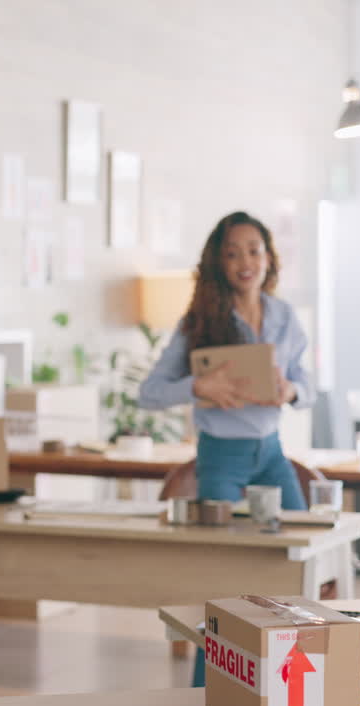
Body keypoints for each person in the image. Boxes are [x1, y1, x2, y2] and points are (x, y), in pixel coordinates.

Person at [139, 211, 312, 510]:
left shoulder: (284, 317)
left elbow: (307, 384)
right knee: (226, 549)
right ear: (219, 264)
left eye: (254, 251)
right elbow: (148, 393)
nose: (246, 263)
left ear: (268, 257)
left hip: (272, 452)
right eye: (232, 254)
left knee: (303, 535)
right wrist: (198, 387)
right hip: (220, 456)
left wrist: (291, 391)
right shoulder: (198, 323)